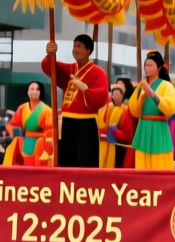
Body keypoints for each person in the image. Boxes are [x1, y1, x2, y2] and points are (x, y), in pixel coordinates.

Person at [43, 34, 110, 168]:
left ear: (88, 50)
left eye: (79, 46)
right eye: (74, 46)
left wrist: (86, 89)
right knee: (67, 159)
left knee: (85, 159)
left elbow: (102, 95)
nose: (75, 49)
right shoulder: (69, 69)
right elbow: (50, 68)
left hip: (86, 122)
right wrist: (50, 53)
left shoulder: (98, 72)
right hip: (67, 121)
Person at [128, 53, 175, 169]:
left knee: (159, 162)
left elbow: (172, 107)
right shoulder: (141, 85)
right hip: (143, 126)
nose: (147, 68)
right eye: (146, 65)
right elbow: (133, 110)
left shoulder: (166, 85)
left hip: (159, 126)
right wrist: (141, 98)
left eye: (151, 65)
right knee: (142, 161)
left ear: (159, 68)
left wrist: (153, 95)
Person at [7, 81, 55, 166]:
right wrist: (18, 134)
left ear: (41, 92)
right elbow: (11, 125)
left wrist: (35, 135)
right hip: (24, 144)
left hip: (41, 147)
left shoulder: (47, 111)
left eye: (37, 89)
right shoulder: (22, 108)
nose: (34, 91)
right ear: (28, 91)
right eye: (31, 89)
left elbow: (50, 133)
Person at [99, 79, 133, 169]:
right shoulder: (103, 108)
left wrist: (109, 132)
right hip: (102, 148)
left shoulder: (128, 109)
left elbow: (128, 136)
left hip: (119, 149)